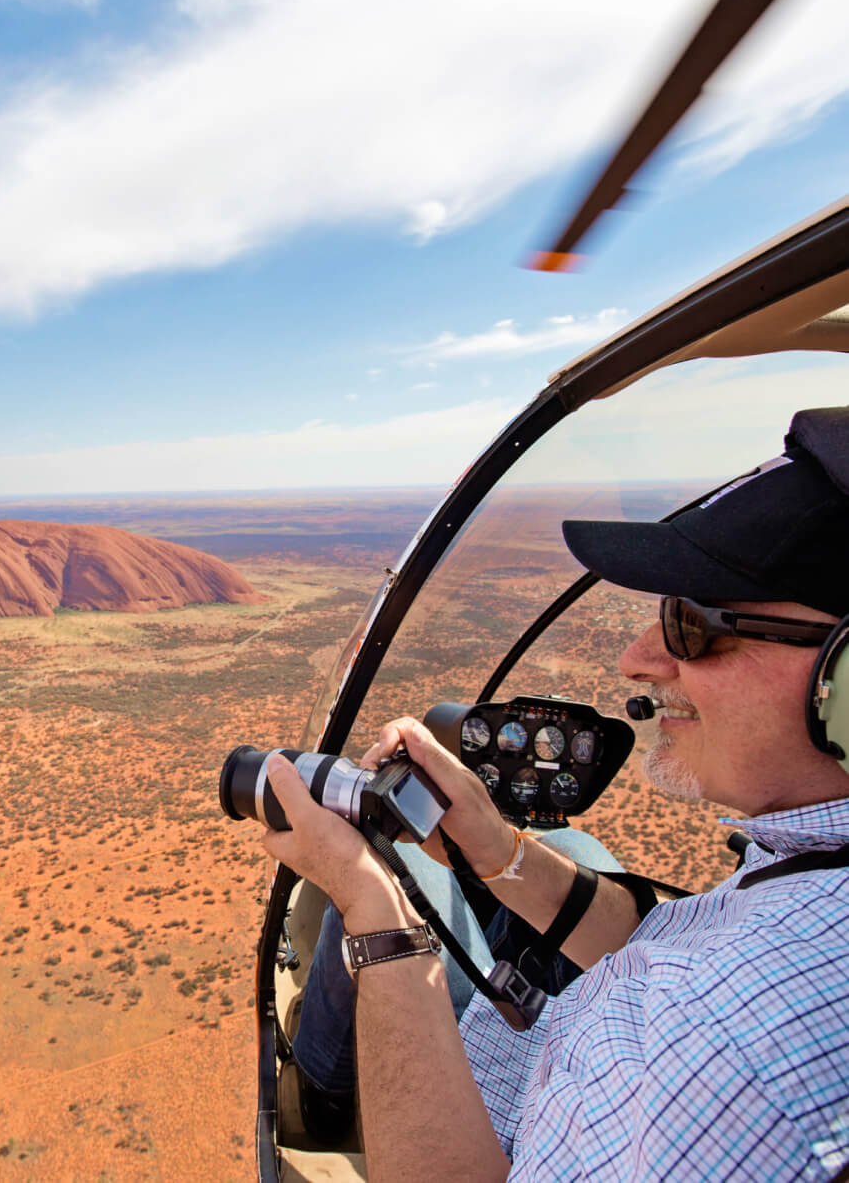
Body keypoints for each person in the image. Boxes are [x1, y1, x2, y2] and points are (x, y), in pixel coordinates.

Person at [263, 406, 849, 1181]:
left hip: (501, 1127)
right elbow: (668, 939)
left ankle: (319, 1104)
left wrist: (376, 911)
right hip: (564, 1041)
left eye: (691, 625)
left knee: (395, 876)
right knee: (560, 849)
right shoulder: (816, 863)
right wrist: (498, 849)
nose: (637, 661)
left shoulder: (737, 1050)